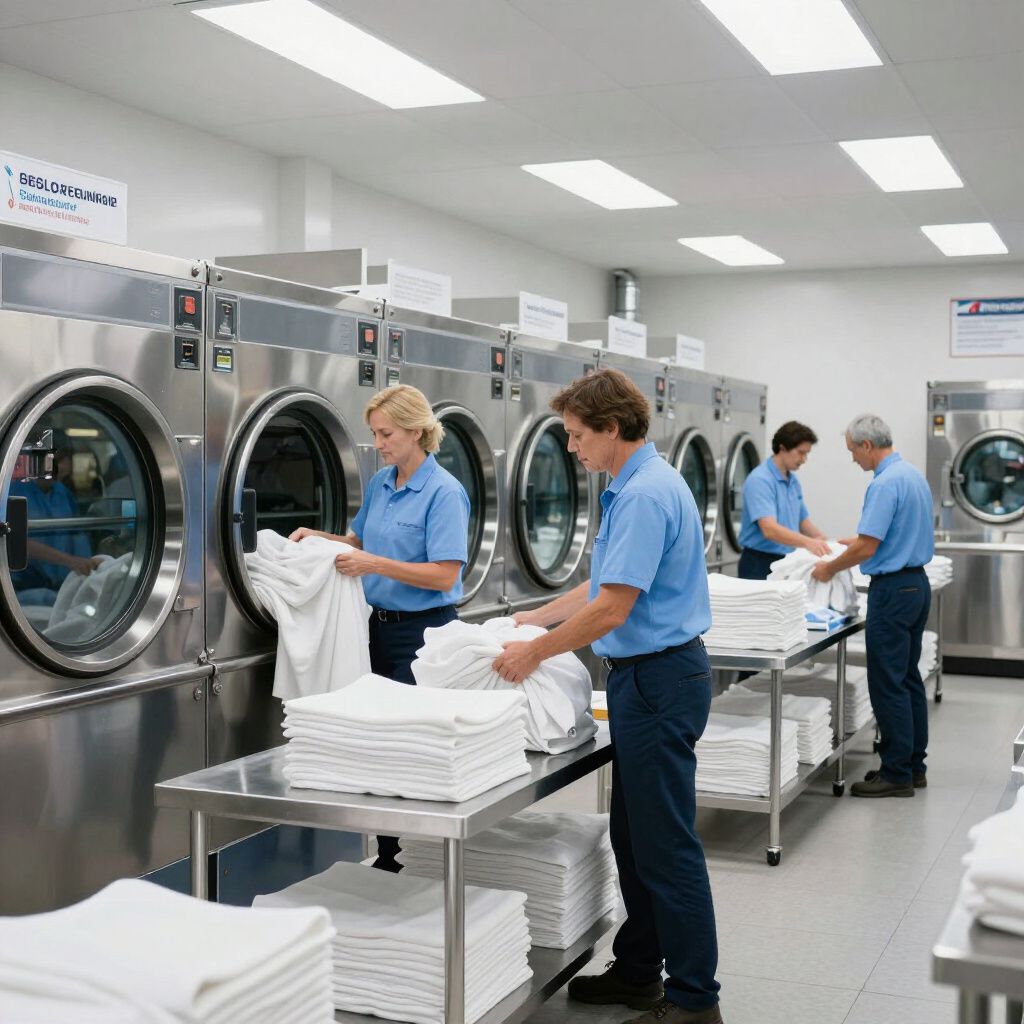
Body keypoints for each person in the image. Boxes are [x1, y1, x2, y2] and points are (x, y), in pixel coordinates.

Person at [493, 369, 722, 1024]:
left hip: (656, 681)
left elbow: (612, 611)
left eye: (575, 435)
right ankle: (639, 971)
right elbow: (600, 586)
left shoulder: (646, 495)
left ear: (611, 429)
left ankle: (694, 1001)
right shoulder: (633, 486)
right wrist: (531, 619)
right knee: (633, 836)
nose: (570, 448)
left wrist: (533, 653)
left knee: (666, 846)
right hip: (647, 680)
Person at [290, 384, 470, 869]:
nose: (379, 443)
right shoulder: (381, 484)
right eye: (374, 434)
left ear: (417, 431)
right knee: (378, 744)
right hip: (376, 630)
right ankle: (389, 857)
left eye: (386, 433)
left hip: (424, 634)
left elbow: (445, 574)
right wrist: (319, 537)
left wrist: (375, 564)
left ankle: (424, 858)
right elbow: (357, 540)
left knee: (413, 746)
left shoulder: (444, 493)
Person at [811, 414, 933, 799]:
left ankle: (895, 772)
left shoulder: (883, 483)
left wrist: (829, 568)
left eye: (852, 451)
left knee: (888, 682)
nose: (852, 460)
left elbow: (870, 546)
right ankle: (914, 766)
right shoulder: (912, 476)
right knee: (908, 678)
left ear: (867, 445)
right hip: (916, 585)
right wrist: (856, 541)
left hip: (893, 592)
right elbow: (884, 535)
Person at [737, 420, 830, 580]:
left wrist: (824, 542)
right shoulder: (760, 480)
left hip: (786, 560)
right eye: (801, 453)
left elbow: (803, 522)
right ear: (782, 448)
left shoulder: (792, 481)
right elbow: (769, 529)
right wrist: (809, 543)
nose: (804, 459)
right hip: (759, 562)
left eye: (806, 454)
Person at [11, 440, 102, 601]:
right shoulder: (16, 491)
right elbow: (16, 540)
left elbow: (77, 532)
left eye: (63, 460)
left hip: (63, 582)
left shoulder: (62, 492)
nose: (62, 466)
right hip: (25, 584)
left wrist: (89, 566)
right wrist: (70, 561)